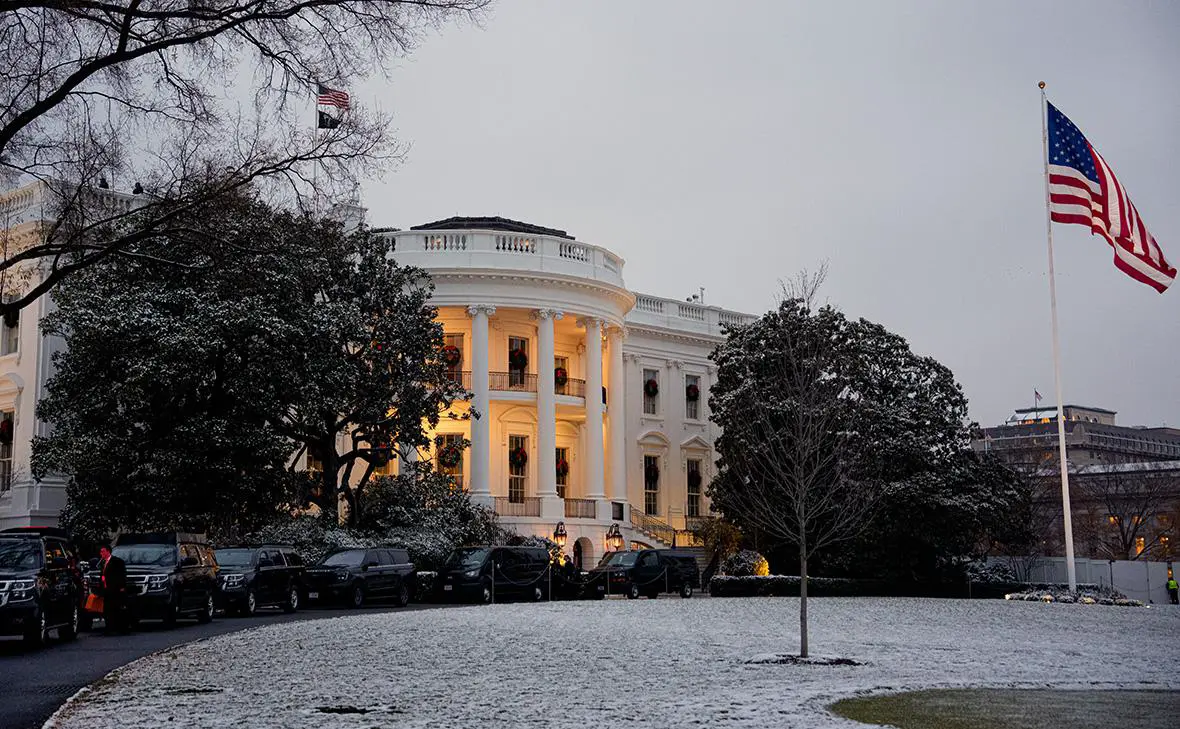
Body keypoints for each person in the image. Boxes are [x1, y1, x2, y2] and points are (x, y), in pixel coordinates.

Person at [98, 544, 129, 634]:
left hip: (115, 588)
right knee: (107, 609)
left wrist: (122, 587)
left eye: (103, 551)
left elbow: (121, 575)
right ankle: (109, 628)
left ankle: (119, 628)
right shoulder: (103, 562)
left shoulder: (117, 561)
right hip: (106, 589)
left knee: (116, 608)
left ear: (108, 551)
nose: (101, 553)